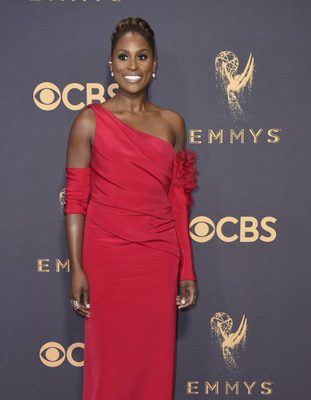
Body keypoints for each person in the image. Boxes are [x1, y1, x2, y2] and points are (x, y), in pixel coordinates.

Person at [64, 17, 199, 400]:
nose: (133, 66)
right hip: (106, 258)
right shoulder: (88, 121)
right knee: (109, 363)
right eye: (123, 57)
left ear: (155, 64)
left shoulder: (173, 124)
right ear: (111, 63)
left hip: (158, 258)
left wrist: (186, 268)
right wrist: (77, 268)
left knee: (153, 363)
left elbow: (180, 198)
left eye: (142, 57)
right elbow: (75, 201)